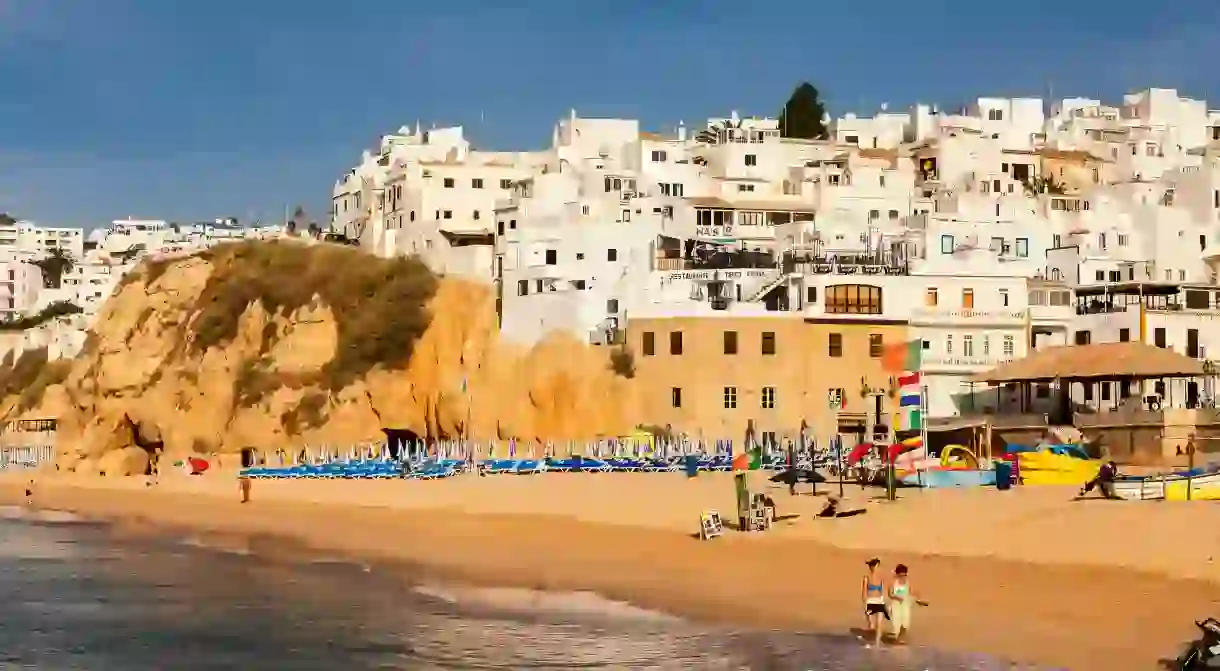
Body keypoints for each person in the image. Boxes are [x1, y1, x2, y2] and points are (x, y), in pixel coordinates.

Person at [861, 558, 888, 647]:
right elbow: (864, 592)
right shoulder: (866, 578)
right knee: (871, 625)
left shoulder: (881, 578)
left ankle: (877, 643)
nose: (876, 568)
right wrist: (865, 604)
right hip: (870, 600)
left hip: (879, 600)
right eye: (875, 566)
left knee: (879, 624)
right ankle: (870, 641)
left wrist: (883, 601)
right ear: (871, 567)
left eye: (877, 566)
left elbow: (883, 590)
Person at [889, 563, 915, 644]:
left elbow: (910, 593)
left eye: (904, 575)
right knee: (896, 625)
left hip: (905, 606)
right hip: (895, 605)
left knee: (905, 624)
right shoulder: (893, 583)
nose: (902, 577)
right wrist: (897, 597)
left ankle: (901, 638)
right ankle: (898, 639)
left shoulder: (908, 583)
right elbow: (890, 594)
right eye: (900, 575)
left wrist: (913, 599)